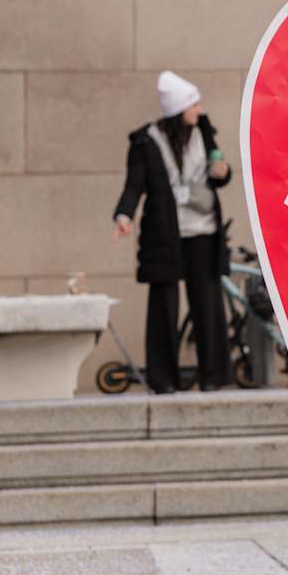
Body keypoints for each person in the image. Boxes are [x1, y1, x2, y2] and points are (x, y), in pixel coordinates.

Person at [111, 70, 233, 393]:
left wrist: (222, 172)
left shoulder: (203, 132)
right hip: (165, 232)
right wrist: (124, 215)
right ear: (180, 110)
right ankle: (164, 379)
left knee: (206, 301)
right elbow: (134, 184)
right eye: (194, 105)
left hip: (202, 229)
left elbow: (217, 173)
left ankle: (213, 376)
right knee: (164, 303)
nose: (200, 110)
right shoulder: (146, 142)